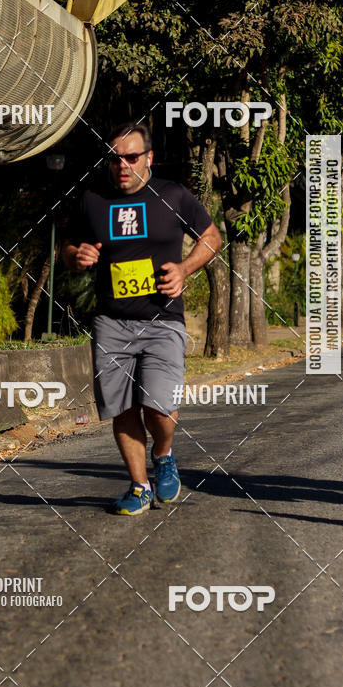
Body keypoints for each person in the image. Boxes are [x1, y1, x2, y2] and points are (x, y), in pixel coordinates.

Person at [62, 121, 222, 515]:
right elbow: (68, 248)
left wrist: (184, 269)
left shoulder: (172, 195)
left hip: (163, 320)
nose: (122, 164)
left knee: (160, 407)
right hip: (111, 323)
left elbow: (212, 238)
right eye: (115, 158)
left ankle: (164, 453)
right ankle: (139, 486)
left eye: (131, 157)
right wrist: (76, 256)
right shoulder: (92, 199)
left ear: (148, 158)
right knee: (122, 409)